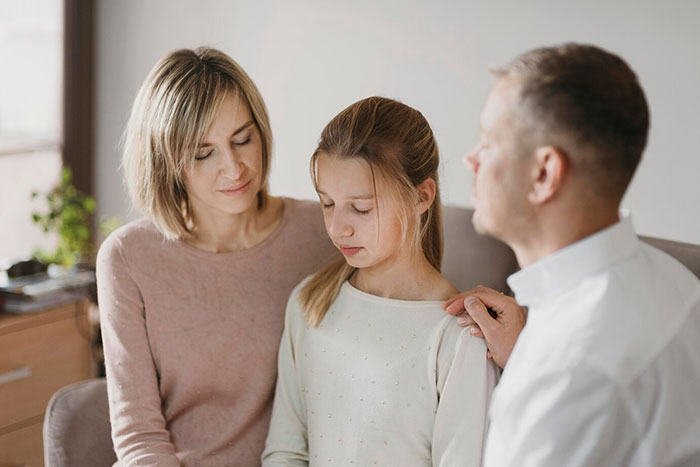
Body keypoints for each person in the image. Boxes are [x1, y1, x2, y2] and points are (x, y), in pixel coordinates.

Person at [444, 43, 700, 466]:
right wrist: (526, 351)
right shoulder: (679, 286)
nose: (472, 159)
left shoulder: (567, 376)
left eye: (489, 142)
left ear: (544, 174)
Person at [96, 47, 338, 466]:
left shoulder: (325, 232)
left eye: (243, 139)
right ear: (166, 163)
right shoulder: (128, 258)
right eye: (204, 153)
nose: (235, 167)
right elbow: (139, 437)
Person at [262, 97, 498, 466]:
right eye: (327, 204)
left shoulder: (459, 334)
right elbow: (287, 451)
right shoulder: (309, 304)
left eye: (361, 208)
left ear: (421, 197)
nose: (339, 227)